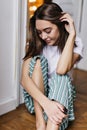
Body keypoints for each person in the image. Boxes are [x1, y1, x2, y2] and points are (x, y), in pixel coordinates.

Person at [21, 2, 83, 130]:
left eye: (47, 31)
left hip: (61, 98)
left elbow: (61, 70)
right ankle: (40, 123)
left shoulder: (75, 43)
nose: (43, 36)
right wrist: (47, 104)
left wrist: (71, 35)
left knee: (62, 77)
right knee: (38, 61)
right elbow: (24, 80)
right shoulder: (34, 43)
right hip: (37, 100)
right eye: (39, 32)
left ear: (60, 25)